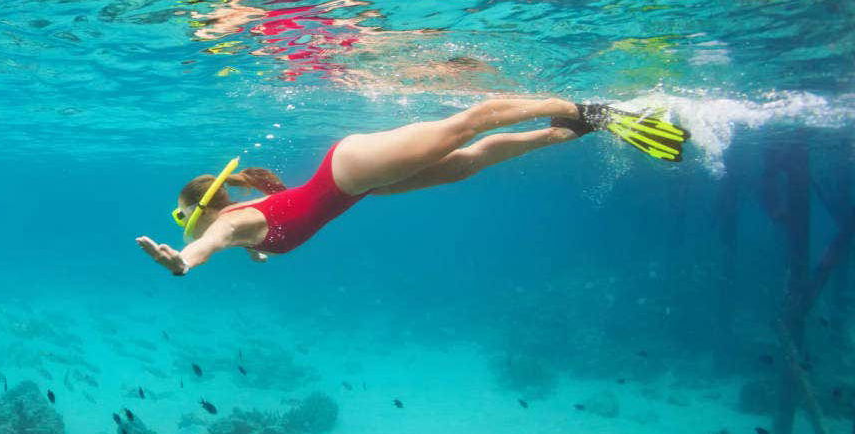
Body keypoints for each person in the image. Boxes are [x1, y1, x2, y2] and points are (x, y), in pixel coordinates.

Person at [135, 99, 687, 276]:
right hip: (355, 187)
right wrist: (250, 250)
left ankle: (596, 109)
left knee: (466, 126)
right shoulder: (242, 227)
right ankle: (570, 130)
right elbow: (250, 239)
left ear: (204, 213)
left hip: (348, 171)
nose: (182, 227)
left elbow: (211, 244)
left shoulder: (226, 226)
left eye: (181, 218)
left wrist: (184, 260)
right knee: (466, 162)